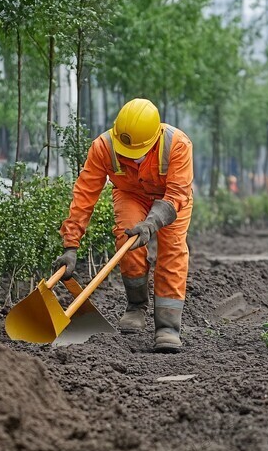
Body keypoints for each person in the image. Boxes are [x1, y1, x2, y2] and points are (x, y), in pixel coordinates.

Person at [54, 98, 194, 353]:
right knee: (126, 239)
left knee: (172, 251)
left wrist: (152, 223)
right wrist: (70, 245)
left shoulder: (177, 144)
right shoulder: (103, 147)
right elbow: (84, 195)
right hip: (130, 194)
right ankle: (136, 305)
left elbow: (177, 193)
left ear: (155, 137)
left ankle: (167, 326)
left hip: (170, 200)